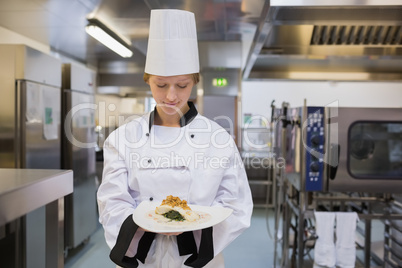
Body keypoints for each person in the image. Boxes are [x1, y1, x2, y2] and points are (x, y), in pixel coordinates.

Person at [97, 9, 253, 268]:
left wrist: (191, 232)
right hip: (143, 258)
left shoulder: (218, 139)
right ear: (148, 81)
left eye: (182, 86)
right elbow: (112, 202)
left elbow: (235, 205)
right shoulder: (123, 138)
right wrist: (144, 228)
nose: (171, 96)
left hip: (197, 260)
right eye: (160, 85)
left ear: (194, 82)